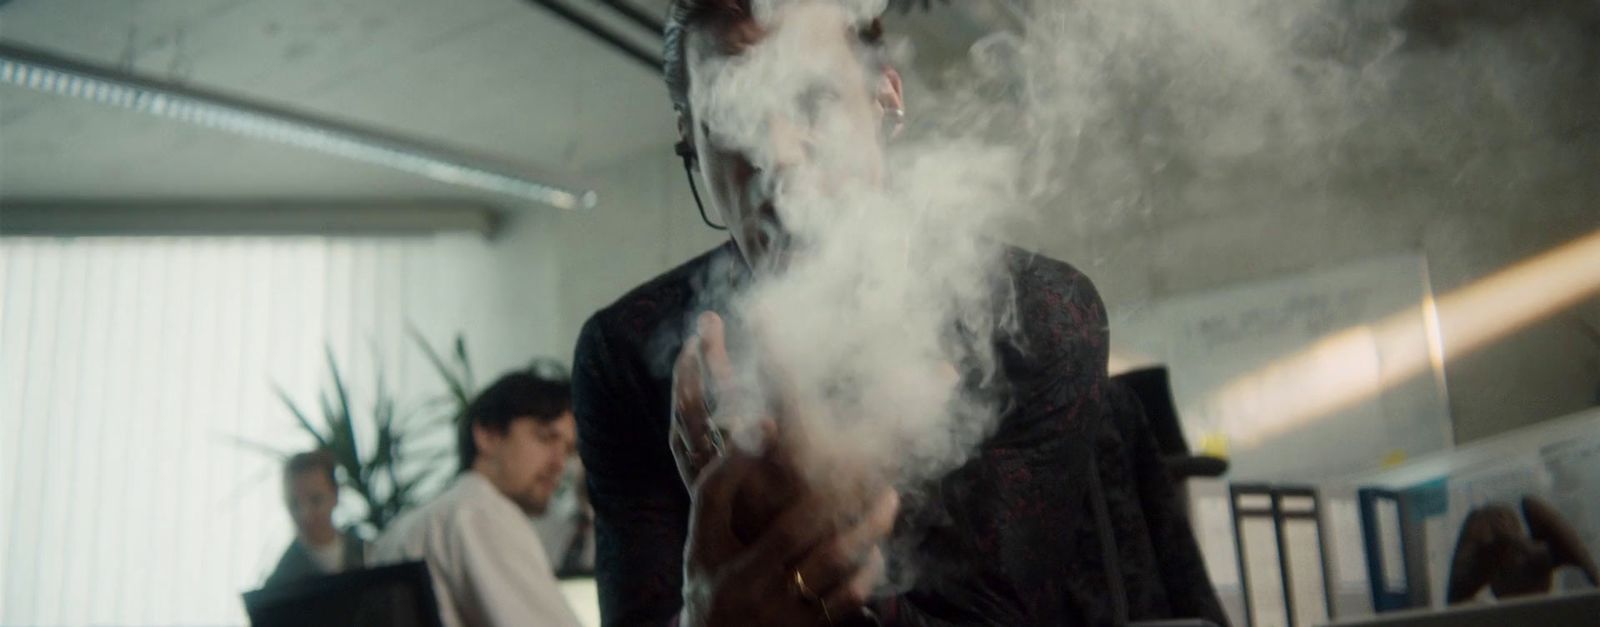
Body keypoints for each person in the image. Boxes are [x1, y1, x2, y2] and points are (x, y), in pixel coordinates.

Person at [572, 1, 1225, 626]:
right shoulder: (632, 353)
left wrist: (795, 556)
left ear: (886, 98)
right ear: (690, 140)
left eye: (812, 99)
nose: (779, 156)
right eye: (730, 114)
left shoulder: (1031, 314)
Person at [371, 370, 583, 627]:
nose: (560, 463)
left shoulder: (404, 529)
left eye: (568, 450)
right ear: (488, 435)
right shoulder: (480, 513)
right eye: (546, 438)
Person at [265, 449, 366, 588]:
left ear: (335, 495)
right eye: (295, 504)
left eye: (316, 500)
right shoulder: (277, 586)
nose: (305, 514)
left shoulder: (369, 556)